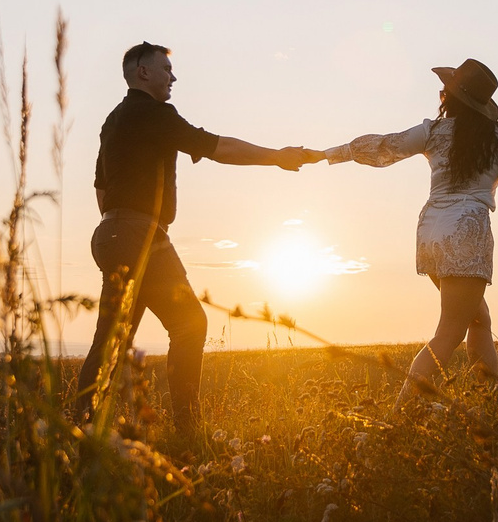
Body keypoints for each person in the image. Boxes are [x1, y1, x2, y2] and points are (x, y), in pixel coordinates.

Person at [74, 42, 319, 439]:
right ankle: (188, 429)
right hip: (139, 235)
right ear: (142, 73)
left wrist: (117, 224)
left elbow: (101, 187)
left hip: (109, 233)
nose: (173, 77)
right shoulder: (155, 114)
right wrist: (277, 156)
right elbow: (218, 147)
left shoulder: (114, 120)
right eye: (166, 69)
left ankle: (83, 430)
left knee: (113, 339)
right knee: (190, 324)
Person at [323, 58, 498, 405]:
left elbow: (385, 146)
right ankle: (401, 416)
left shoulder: (434, 131)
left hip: (431, 231)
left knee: (478, 319)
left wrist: (331, 153)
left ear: (449, 97)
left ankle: (493, 402)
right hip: (467, 229)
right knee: (449, 333)